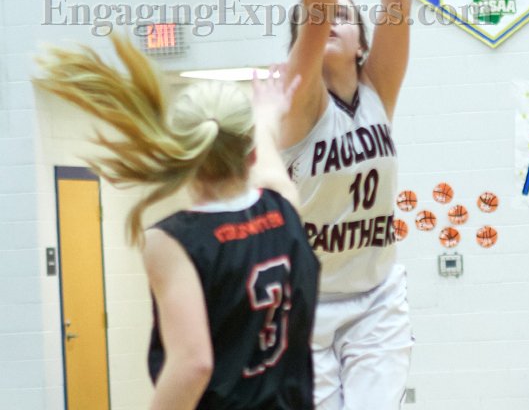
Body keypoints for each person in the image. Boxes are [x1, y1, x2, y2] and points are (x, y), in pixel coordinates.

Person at [35, 37, 319, 410]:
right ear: (249, 154)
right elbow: (267, 160)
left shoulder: (174, 241)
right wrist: (267, 114)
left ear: (184, 155)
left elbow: (192, 365)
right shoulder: (284, 208)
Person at [265, 0, 413, 410]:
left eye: (345, 18)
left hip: (376, 298)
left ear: (360, 45)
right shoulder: (301, 101)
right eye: (323, 18)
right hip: (307, 304)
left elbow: (397, 3)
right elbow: (316, 8)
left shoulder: (378, 90)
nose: (330, 22)